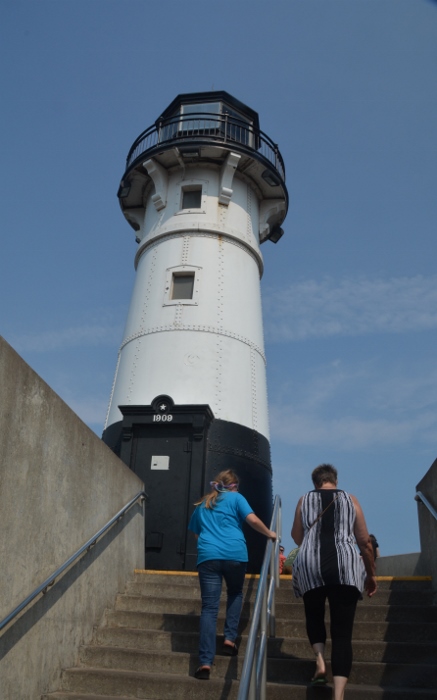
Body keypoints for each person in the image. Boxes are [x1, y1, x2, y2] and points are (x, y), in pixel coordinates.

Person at [290, 464, 377, 700]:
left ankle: (319, 660)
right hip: (346, 567)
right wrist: (370, 574)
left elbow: (297, 537)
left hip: (310, 565)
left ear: (315, 482)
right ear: (334, 480)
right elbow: (365, 541)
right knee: (342, 634)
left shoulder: (303, 500)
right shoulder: (351, 500)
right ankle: (338, 696)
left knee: (314, 615)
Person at [188, 469, 276, 680]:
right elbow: (252, 520)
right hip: (235, 554)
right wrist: (270, 534)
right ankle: (229, 639)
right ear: (234, 485)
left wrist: (210, 545)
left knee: (209, 608)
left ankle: (205, 663)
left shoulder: (202, 504)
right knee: (235, 593)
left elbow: (195, 533)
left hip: (208, 557)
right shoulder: (237, 497)